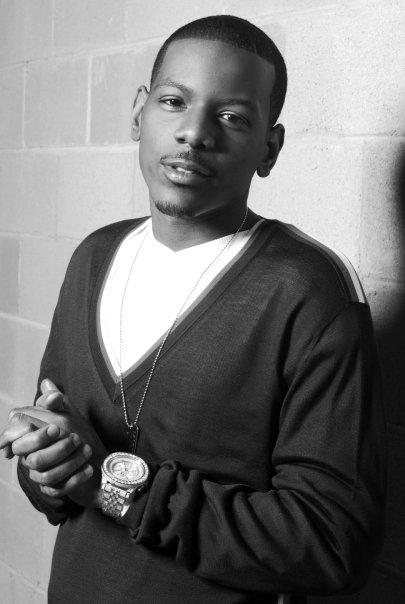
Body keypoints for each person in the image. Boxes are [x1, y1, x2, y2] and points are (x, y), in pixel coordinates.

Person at [0, 15, 386, 604]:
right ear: (139, 112)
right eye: (174, 101)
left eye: (232, 117)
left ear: (269, 148)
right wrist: (48, 468)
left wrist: (112, 483)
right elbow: (56, 475)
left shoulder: (310, 290)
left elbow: (334, 543)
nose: (194, 133)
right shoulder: (93, 256)